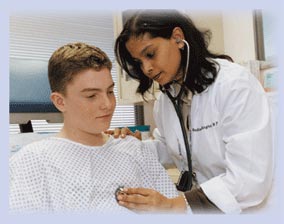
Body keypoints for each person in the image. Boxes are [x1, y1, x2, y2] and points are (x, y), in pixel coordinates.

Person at [114, 9, 273, 214]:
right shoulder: (165, 100)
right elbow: (171, 148)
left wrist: (173, 205)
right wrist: (135, 147)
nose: (146, 69)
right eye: (139, 62)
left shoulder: (234, 85)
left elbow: (249, 181)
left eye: (150, 54)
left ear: (178, 38)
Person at [9, 42, 180, 214]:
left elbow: (173, 211)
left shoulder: (135, 150)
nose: (107, 104)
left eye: (110, 92)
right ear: (60, 101)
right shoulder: (32, 163)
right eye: (91, 96)